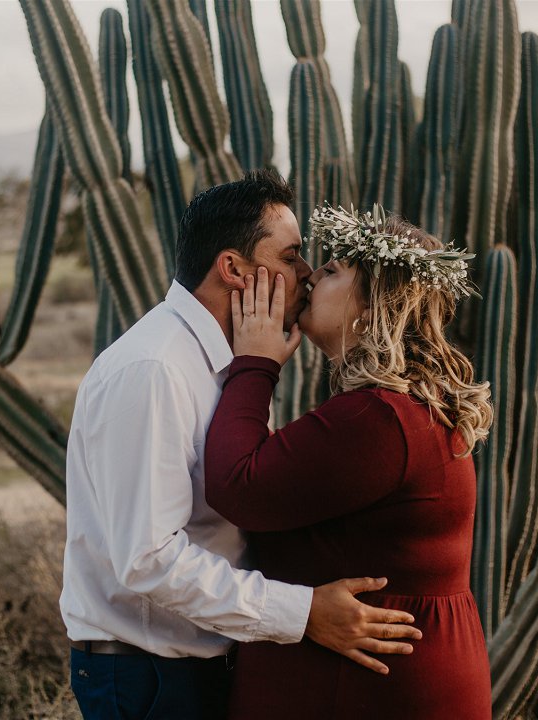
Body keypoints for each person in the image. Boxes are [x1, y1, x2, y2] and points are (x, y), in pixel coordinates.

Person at [62, 173, 423, 720]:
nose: (307, 274)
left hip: (205, 663)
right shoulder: (155, 370)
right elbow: (147, 559)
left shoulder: (233, 360)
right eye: (292, 256)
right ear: (233, 269)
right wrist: (303, 614)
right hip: (150, 677)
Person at [205, 203, 494, 718]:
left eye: (334, 270)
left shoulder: (378, 419)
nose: (312, 276)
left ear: (374, 304)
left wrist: (255, 364)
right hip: (379, 677)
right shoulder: (401, 409)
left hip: (370, 689)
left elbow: (237, 485)